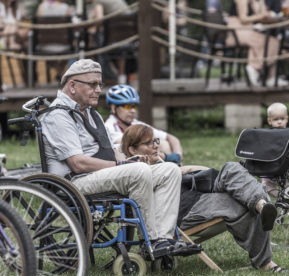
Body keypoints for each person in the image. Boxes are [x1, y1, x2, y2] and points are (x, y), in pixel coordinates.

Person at [40, 59, 201, 258]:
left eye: (100, 84)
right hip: (74, 182)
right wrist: (122, 165)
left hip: (101, 174)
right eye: (92, 84)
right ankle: (151, 240)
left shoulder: (92, 114)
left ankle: (163, 239)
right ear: (72, 86)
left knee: (169, 170)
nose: (98, 90)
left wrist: (133, 158)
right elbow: (78, 163)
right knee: (137, 171)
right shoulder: (58, 116)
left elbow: (112, 152)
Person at [121, 123, 286, 272]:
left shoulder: (159, 163)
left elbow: (186, 171)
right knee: (240, 204)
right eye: (148, 143)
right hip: (185, 210)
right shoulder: (135, 173)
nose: (155, 146)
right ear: (133, 150)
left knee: (231, 168)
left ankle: (261, 204)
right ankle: (265, 262)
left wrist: (192, 169)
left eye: (155, 141)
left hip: (199, 192)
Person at [104, 84, 183, 164]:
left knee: (163, 143)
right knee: (158, 144)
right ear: (113, 107)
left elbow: (171, 138)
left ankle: (177, 168)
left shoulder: (135, 123)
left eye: (134, 106)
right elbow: (130, 144)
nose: (133, 110)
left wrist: (178, 155)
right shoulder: (108, 127)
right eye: (128, 106)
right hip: (128, 165)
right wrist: (166, 157)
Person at [226, 0, 289, 87]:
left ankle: (267, 75)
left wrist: (261, 2)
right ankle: (256, 68)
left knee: (266, 43)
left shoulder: (251, 2)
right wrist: (260, 15)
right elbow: (243, 19)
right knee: (272, 42)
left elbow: (261, 13)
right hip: (238, 32)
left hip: (247, 30)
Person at [86, 0, 130, 84]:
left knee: (93, 45)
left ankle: (97, 78)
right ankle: (121, 77)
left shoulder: (97, 2)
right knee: (118, 50)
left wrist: (93, 23)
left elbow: (99, 19)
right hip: (126, 37)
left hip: (113, 38)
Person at [263, 102, 289, 197]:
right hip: (269, 171)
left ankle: (286, 200)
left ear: (287, 119)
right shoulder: (267, 135)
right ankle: (279, 197)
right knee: (267, 188)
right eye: (276, 119)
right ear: (269, 121)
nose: (279, 122)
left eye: (282, 119)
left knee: (288, 189)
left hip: (286, 171)